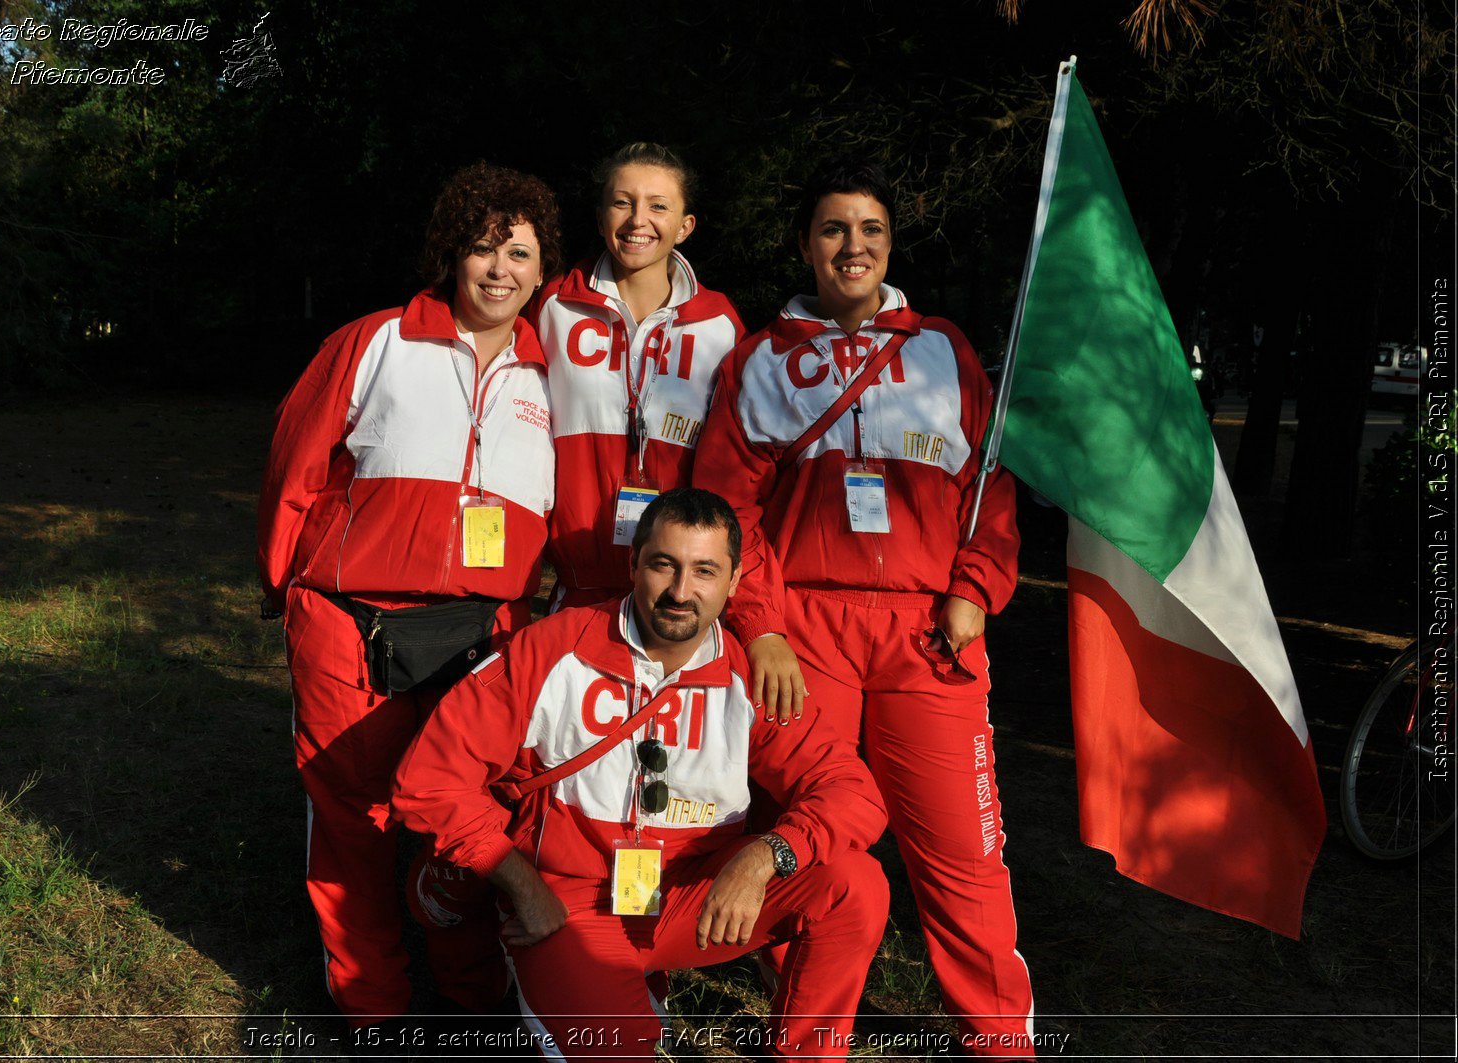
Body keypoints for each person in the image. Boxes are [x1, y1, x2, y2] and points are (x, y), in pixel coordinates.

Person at [693, 163, 1035, 1058]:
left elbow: (988, 488)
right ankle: (807, 1040)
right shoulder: (762, 358)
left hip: (928, 632)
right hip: (806, 633)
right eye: (836, 230)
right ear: (806, 245)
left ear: (891, 245)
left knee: (963, 856)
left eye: (872, 231)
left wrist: (973, 589)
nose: (855, 247)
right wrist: (761, 623)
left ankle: (1001, 1043)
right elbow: (729, 508)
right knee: (813, 836)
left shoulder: (945, 350)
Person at [392, 488, 890, 1060]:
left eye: (705, 571)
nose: (681, 592)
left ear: (734, 583)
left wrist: (763, 857)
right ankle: (554, 979)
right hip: (570, 903)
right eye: (663, 565)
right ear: (633, 566)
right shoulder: (552, 649)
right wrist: (520, 885)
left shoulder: (750, 674)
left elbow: (852, 792)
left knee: (855, 885)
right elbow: (428, 779)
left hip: (691, 897)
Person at [256, 163, 562, 1026]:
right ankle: (376, 1010)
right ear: (449, 254)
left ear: (543, 272)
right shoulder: (376, 340)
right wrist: (282, 584)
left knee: (470, 815)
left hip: (486, 631)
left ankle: (476, 999)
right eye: (481, 248)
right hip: (350, 621)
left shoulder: (551, 378)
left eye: (519, 252)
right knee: (352, 819)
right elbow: (296, 459)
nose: (498, 269)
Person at [531, 145, 747, 613]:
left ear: (686, 226)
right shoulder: (553, 306)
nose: (637, 220)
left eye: (658, 205)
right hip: (576, 585)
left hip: (676, 590)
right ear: (601, 214)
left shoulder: (721, 325)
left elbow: (735, 466)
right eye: (622, 202)